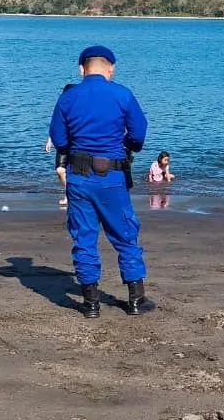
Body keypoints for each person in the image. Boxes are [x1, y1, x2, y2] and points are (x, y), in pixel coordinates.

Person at [49, 45, 152, 318]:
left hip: (78, 176)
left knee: (84, 236)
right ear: (111, 68)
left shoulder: (68, 97)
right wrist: (126, 144)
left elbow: (58, 138)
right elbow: (139, 134)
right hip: (112, 176)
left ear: (81, 69)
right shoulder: (122, 94)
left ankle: (91, 303)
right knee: (125, 233)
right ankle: (135, 299)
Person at [45, 84, 77, 205]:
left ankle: (73, 195)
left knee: (77, 171)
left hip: (76, 143)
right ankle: (69, 193)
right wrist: (49, 139)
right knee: (60, 170)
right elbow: (56, 124)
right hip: (63, 143)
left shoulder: (79, 107)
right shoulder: (61, 106)